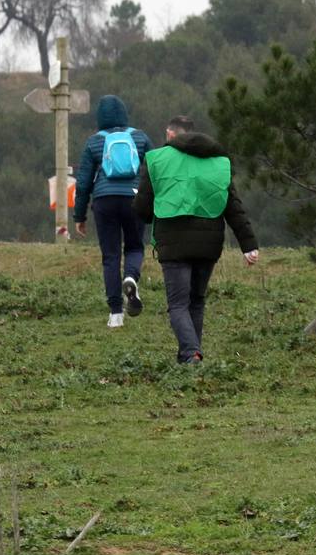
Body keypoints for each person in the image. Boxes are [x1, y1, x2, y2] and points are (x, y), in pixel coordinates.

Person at [132, 116, 258, 363]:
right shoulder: (219, 163)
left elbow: (143, 211)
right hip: (208, 243)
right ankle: (189, 355)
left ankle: (191, 354)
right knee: (196, 301)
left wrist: (138, 205)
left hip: (173, 242)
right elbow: (234, 207)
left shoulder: (157, 160)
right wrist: (249, 245)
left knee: (178, 304)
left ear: (171, 136)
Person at [73, 95, 154, 328]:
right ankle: (131, 277)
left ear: (100, 117)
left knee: (110, 255)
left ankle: (116, 313)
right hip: (134, 197)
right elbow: (156, 170)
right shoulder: (140, 137)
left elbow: (84, 181)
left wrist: (80, 216)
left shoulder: (94, 142)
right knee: (135, 246)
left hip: (104, 200)